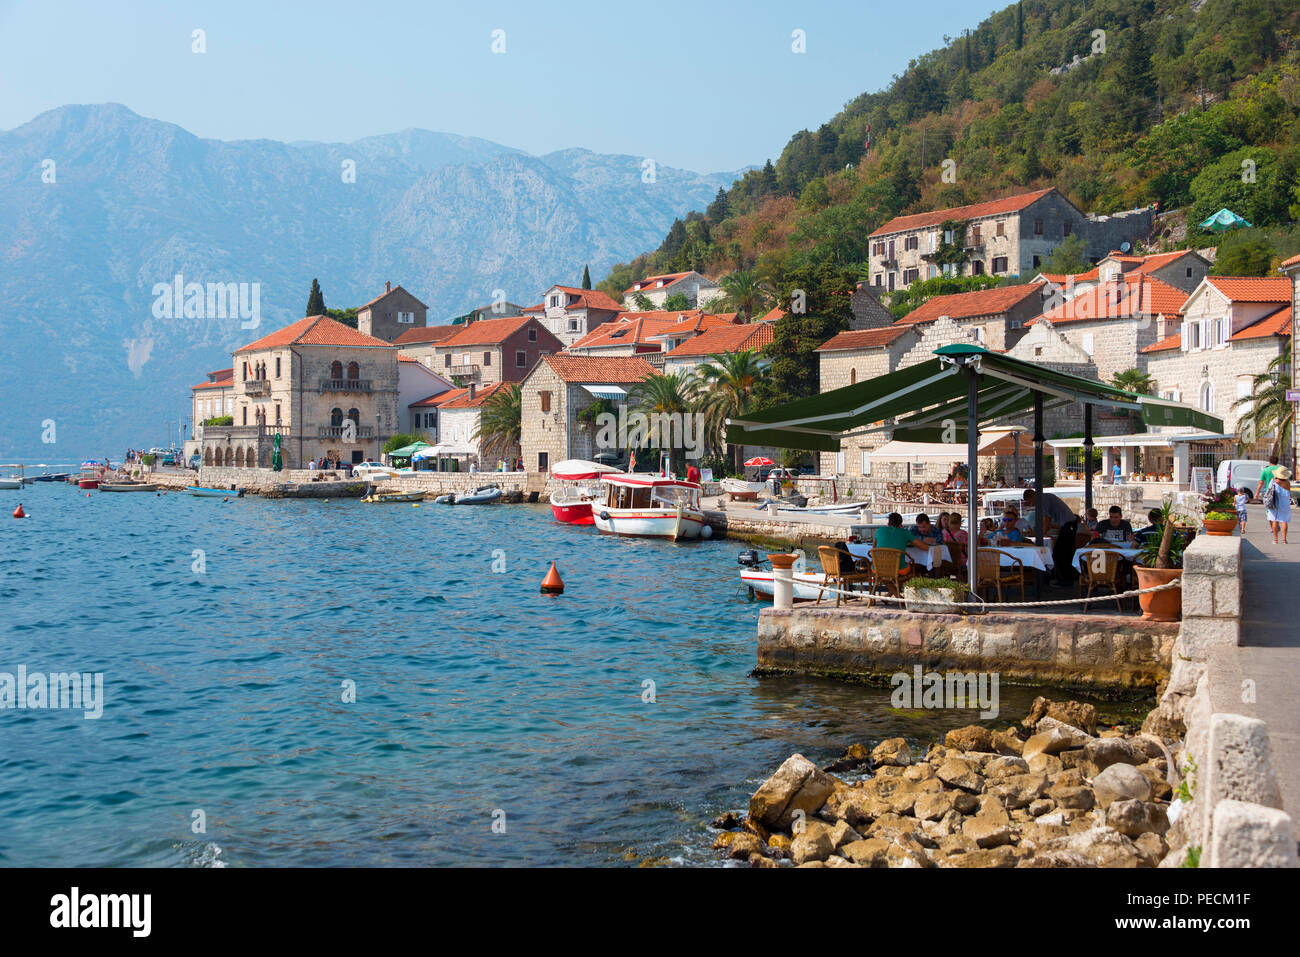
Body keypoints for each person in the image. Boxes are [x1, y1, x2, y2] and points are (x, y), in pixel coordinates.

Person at [1264, 466, 1292, 544]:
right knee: (1284, 521)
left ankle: (1276, 540)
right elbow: (1289, 493)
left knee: (1275, 521)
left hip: (1275, 502)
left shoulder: (1273, 481)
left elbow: (1269, 491)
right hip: (1285, 503)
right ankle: (1284, 540)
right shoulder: (1287, 482)